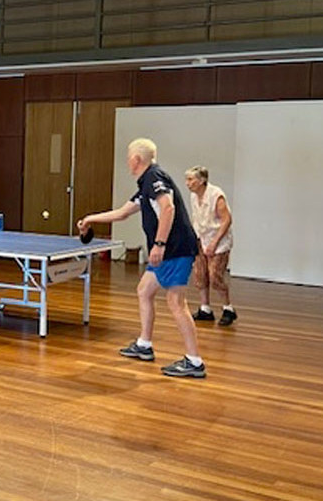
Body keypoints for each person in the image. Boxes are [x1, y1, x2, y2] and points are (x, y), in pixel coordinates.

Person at [78, 138, 205, 378]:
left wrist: (159, 244)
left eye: (128, 157)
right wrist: (90, 219)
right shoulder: (145, 184)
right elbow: (123, 212)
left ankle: (194, 361)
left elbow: (168, 208)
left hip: (175, 249)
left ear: (137, 159)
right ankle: (144, 345)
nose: (127, 161)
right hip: (169, 249)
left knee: (176, 303)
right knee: (144, 290)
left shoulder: (154, 178)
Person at [185, 166, 237, 327]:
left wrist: (214, 242)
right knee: (200, 275)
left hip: (218, 241)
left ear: (201, 181)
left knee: (215, 277)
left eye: (191, 179)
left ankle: (228, 309)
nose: (188, 183)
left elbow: (227, 220)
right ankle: (205, 309)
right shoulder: (194, 197)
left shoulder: (216, 196)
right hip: (201, 238)